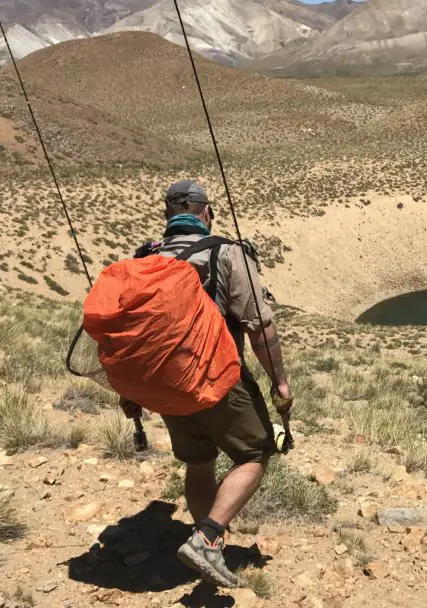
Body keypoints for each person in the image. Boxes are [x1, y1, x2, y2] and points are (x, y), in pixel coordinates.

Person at [120, 179, 293, 588]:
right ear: (207, 213)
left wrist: (130, 391)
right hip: (215, 375)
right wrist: (280, 382)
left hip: (165, 382)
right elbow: (260, 327)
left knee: (199, 460)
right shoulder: (227, 253)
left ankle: (203, 541)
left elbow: (130, 337)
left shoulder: (146, 258)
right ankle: (209, 538)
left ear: (167, 216)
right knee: (255, 453)